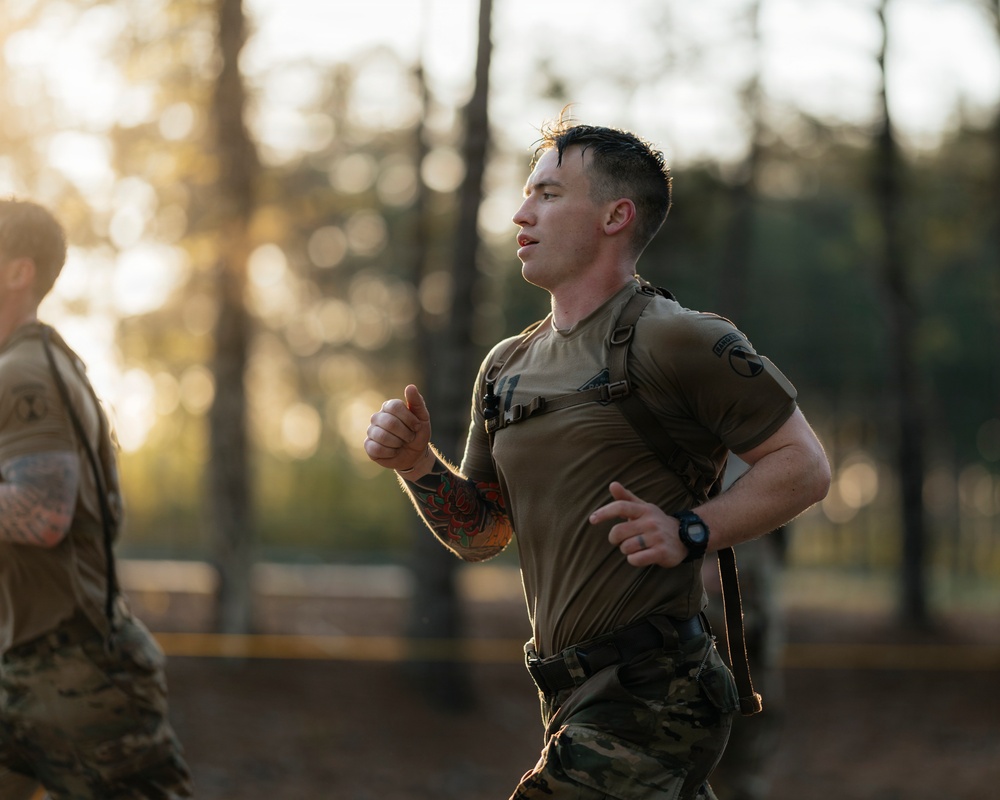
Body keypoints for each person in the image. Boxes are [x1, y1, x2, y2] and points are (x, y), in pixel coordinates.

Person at [364, 116, 830, 799]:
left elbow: (804, 466)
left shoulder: (681, 339)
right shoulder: (506, 367)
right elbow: (482, 533)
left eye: (549, 195)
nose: (522, 213)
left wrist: (691, 530)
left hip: (653, 693)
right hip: (564, 698)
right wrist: (416, 465)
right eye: (527, 193)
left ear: (616, 216)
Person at [0, 198, 193, 799]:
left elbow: (42, 513)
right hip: (24, 667)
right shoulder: (35, 364)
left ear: (19, 271)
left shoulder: (26, 372)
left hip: (75, 676)